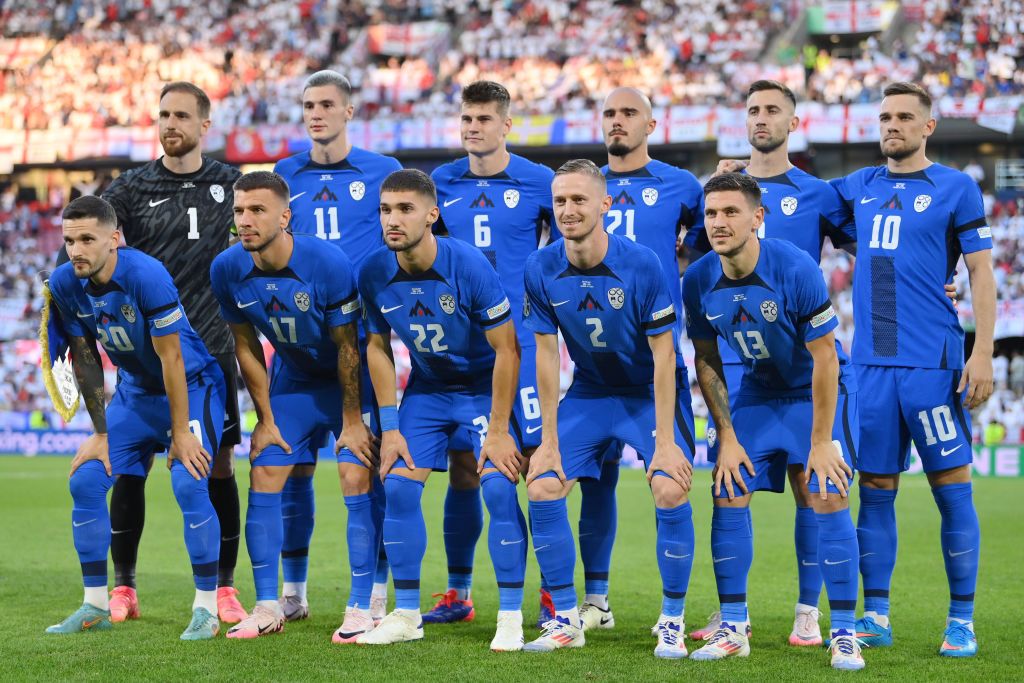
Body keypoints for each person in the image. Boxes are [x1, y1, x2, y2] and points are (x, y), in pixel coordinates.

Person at [829, 82, 995, 657]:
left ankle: (962, 620)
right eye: (884, 117)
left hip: (932, 363)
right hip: (871, 368)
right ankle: (875, 615)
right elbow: (795, 202)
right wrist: (743, 171)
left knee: (952, 491)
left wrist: (981, 352)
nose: (891, 125)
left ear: (927, 126)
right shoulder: (859, 186)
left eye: (904, 116)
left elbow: (980, 273)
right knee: (874, 491)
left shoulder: (955, 187)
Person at [693, 80, 856, 645]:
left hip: (807, 360)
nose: (760, 118)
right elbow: (696, 264)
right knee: (727, 481)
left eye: (771, 110)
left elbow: (881, 249)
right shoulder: (718, 195)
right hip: (746, 366)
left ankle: (810, 612)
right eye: (752, 109)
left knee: (815, 486)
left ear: (793, 121)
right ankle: (730, 616)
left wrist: (939, 284)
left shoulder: (819, 194)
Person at [521, 159, 696, 657]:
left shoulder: (641, 263)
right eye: (560, 201)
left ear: (605, 204)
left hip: (648, 390)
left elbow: (665, 356)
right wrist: (549, 441)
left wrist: (664, 442)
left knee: (668, 485)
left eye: (579, 200)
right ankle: (567, 619)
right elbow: (548, 353)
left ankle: (672, 619)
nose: (568, 210)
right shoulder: (540, 266)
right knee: (543, 482)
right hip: (593, 392)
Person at [356, 169, 529, 651]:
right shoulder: (372, 272)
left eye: (405, 209)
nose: (393, 219)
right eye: (386, 210)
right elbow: (377, 347)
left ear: (432, 214)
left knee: (496, 486)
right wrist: (389, 427)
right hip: (428, 389)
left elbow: (507, 350)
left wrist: (497, 429)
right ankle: (407, 613)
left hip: (479, 386)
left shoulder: (468, 265)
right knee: (397, 485)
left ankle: (511, 616)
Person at [45, 196, 226, 640]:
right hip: (134, 394)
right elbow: (86, 357)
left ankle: (206, 609)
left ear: (114, 238)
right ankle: (94, 604)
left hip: (192, 386)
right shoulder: (65, 282)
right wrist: (101, 433)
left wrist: (181, 432)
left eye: (87, 239)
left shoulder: (145, 275)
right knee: (85, 480)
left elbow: (173, 360)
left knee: (189, 478)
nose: (76, 250)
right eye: (69, 240)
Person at [100, 81, 245, 624]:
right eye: (163, 115)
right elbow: (94, 234)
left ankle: (225, 589)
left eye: (182, 115)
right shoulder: (130, 189)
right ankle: (123, 587)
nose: (170, 124)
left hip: (210, 354)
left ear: (205, 125)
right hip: (147, 359)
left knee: (218, 464)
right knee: (128, 467)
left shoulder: (232, 185)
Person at [208, 171, 375, 640]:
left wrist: (350, 421)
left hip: (348, 383)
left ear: (285, 216)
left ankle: (363, 604)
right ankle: (273, 604)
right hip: (294, 382)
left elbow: (348, 349)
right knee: (265, 465)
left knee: (355, 471)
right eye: (239, 210)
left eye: (257, 210)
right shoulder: (226, 268)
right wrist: (264, 418)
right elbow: (246, 346)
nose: (245, 219)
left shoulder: (327, 263)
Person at [273, 70, 402, 625]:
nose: (316, 113)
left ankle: (373, 593)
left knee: (366, 473)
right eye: (308, 105)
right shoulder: (283, 174)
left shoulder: (383, 173)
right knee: (290, 472)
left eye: (327, 104)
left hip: (363, 345)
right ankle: (293, 592)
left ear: (350, 111)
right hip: (298, 354)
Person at [427, 80, 555, 624]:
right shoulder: (441, 183)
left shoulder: (540, 182)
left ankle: (554, 593)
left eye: (484, 119)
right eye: (467, 119)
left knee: (530, 470)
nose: (473, 127)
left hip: (520, 345)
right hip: (460, 349)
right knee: (463, 467)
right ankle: (459, 593)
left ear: (506, 125)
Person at [585, 86, 703, 632]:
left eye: (629, 113)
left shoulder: (681, 186)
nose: (617, 121)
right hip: (591, 365)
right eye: (609, 113)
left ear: (652, 124)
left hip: (656, 360)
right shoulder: (579, 188)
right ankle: (595, 602)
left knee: (668, 481)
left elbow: (712, 249)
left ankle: (672, 613)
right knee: (593, 482)